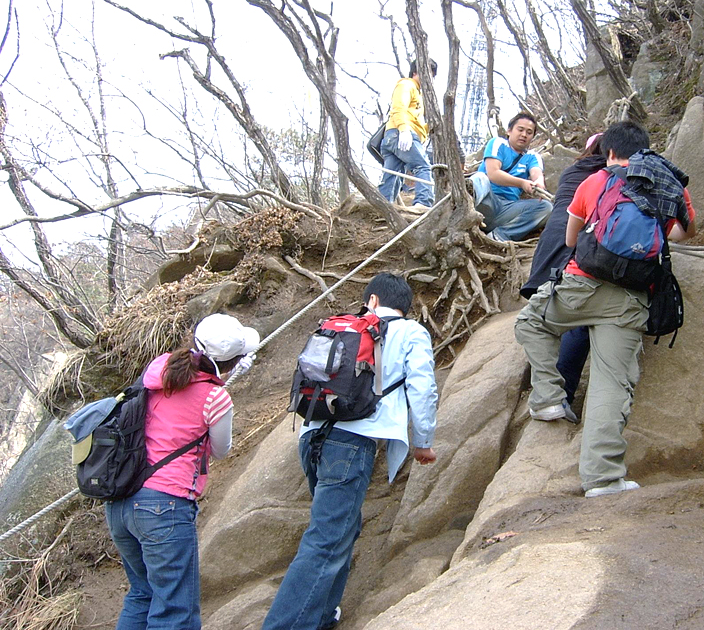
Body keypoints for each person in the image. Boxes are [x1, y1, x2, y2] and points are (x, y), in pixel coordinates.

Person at [514, 121, 697, 498]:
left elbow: (571, 238)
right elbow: (683, 232)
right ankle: (603, 479)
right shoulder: (668, 184)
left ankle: (548, 399)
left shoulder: (595, 181)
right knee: (612, 384)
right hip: (630, 300)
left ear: (609, 152)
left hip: (581, 287)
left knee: (531, 322)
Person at [262, 273, 438, 630]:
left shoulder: (342, 328)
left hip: (312, 436)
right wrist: (422, 442)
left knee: (342, 527)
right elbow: (423, 388)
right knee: (326, 539)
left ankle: (323, 615)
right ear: (404, 306)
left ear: (372, 300)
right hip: (352, 445)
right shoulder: (411, 332)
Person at [105, 313, 259, 630]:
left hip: (121, 500)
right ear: (233, 361)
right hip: (164, 507)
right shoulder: (216, 398)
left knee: (142, 595)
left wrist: (223, 376)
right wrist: (223, 388)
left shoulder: (159, 369)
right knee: (176, 612)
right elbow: (220, 450)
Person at [517, 131, 620, 418]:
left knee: (544, 313)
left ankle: (544, 389)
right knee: (579, 320)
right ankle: (561, 396)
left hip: (551, 241)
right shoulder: (609, 176)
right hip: (579, 244)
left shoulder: (572, 170)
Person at [466, 112, 553, 242]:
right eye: (520, 129)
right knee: (479, 178)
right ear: (509, 131)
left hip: (508, 209)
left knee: (546, 207)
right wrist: (522, 183)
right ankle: (466, 212)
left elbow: (537, 173)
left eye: (529, 132)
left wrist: (539, 183)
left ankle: (499, 236)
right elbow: (493, 173)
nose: (524, 135)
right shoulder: (498, 143)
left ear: (533, 137)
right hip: (486, 201)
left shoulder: (532, 157)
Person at [378, 60, 438, 209]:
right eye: (427, 74)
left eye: (432, 76)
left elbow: (415, 120)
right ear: (415, 72)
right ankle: (423, 203)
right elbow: (398, 107)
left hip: (395, 136)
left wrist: (430, 127)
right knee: (423, 166)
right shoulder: (407, 85)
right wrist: (404, 130)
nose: (430, 79)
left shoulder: (418, 93)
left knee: (392, 175)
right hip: (401, 133)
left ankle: (382, 208)